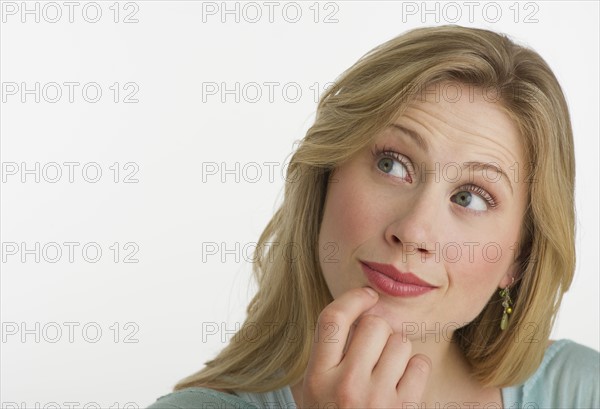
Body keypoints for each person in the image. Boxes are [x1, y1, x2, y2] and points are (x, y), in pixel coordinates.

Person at [147, 25, 599, 409]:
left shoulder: (582, 391)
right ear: (325, 178)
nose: (414, 231)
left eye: (471, 197)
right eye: (392, 165)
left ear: (518, 259)